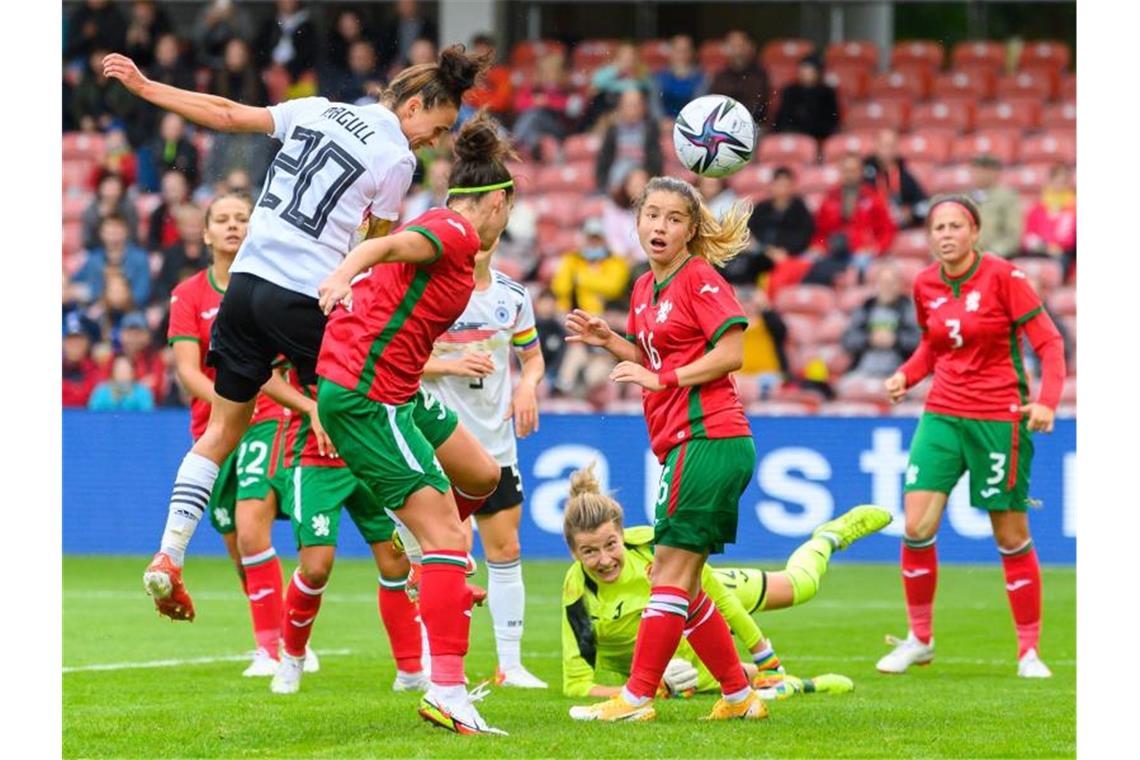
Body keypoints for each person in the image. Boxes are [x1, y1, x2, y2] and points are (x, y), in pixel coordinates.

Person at [102, 44, 489, 620]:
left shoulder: (315, 109)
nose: (432, 143)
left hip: (246, 289)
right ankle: (422, 557)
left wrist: (147, 87)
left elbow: (229, 114)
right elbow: (373, 249)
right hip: (305, 296)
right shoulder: (395, 159)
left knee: (221, 431)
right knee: (380, 412)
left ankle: (169, 554)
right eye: (436, 128)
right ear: (414, 105)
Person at [314, 114, 516, 735]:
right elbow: (382, 246)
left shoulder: (454, 234)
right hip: (370, 397)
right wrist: (345, 271)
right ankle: (447, 692)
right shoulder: (452, 229)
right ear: (499, 202)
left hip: (397, 388)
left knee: (481, 473)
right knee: (451, 541)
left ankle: (429, 552)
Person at [563, 176, 768, 722]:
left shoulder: (698, 278)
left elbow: (731, 352)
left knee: (667, 576)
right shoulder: (642, 288)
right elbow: (651, 354)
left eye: (674, 218)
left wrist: (666, 379)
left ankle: (635, 698)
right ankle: (740, 696)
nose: (660, 226)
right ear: (636, 222)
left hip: (707, 437)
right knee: (684, 578)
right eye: (652, 215)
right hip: (690, 442)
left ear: (691, 230)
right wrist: (609, 340)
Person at [880, 194, 1066, 679]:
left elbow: (1048, 341)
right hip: (942, 413)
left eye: (955, 225)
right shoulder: (924, 284)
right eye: (937, 226)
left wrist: (1047, 399)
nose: (945, 234)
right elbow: (932, 345)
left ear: (974, 232)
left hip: (998, 418)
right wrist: (906, 375)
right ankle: (920, 639)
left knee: (1010, 535)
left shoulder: (1004, 277)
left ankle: (1029, 651)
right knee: (917, 526)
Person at [560, 464, 889, 698]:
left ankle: (829, 537)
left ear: (622, 534)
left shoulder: (652, 545)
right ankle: (806, 685)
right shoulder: (578, 594)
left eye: (611, 545)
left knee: (799, 587)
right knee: (745, 680)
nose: (604, 560)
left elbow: (715, 597)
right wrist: (638, 688)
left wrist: (766, 655)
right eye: (589, 551)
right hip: (682, 668)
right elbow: (577, 686)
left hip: (707, 593)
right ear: (574, 553)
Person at [166, 193, 318, 675]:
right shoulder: (189, 294)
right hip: (214, 428)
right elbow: (188, 373)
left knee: (252, 528)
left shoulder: (273, 287)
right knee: (235, 541)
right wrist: (229, 406)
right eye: (222, 220)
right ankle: (286, 633)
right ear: (206, 233)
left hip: (269, 419)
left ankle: (271, 650)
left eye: (242, 218)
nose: (233, 226)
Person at [421, 242, 548, 689]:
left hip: (496, 444)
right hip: (437, 444)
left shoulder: (512, 296)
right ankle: (428, 664)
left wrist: (527, 387)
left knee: (506, 550)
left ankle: (509, 666)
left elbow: (531, 358)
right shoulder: (426, 291)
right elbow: (398, 358)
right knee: (434, 553)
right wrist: (450, 365)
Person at [268, 366, 427, 696]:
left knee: (396, 562)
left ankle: (410, 670)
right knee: (315, 569)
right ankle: (292, 657)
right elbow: (264, 374)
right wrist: (310, 407)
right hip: (312, 458)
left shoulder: (364, 318)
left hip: (366, 454)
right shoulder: (293, 317)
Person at [811, 153, 897, 271]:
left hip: (862, 253)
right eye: (846, 171)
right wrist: (819, 246)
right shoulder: (829, 199)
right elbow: (820, 233)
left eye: (853, 171)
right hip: (833, 253)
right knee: (809, 261)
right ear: (841, 172)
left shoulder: (874, 198)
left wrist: (875, 249)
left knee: (860, 264)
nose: (849, 175)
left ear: (861, 172)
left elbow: (887, 230)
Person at [731, 166, 814, 287]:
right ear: (772, 185)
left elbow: (804, 236)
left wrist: (787, 252)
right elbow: (750, 231)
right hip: (761, 253)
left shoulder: (800, 210)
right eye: (779, 185)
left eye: (786, 185)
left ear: (792, 187)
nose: (782, 190)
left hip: (790, 255)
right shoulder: (761, 208)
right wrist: (766, 249)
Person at [841, 262, 921, 379]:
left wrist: (896, 340)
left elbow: (920, 342)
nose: (887, 287)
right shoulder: (866, 308)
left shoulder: (909, 309)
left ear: (900, 285)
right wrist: (869, 339)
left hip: (899, 373)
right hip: (863, 372)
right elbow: (848, 340)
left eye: (891, 283)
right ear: (876, 285)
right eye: (883, 283)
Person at [552, 218, 632, 315]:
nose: (593, 243)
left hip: (607, 315)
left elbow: (613, 287)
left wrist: (581, 279)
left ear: (604, 240)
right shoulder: (571, 259)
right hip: (574, 313)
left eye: (597, 239)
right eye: (590, 238)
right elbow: (561, 288)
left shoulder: (616, 261)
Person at [72, 214, 151, 307]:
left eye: (117, 228)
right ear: (101, 233)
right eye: (109, 229)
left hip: (130, 310)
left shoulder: (140, 258)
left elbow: (142, 293)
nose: (113, 232)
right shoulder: (93, 259)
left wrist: (117, 300)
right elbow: (76, 282)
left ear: (126, 231)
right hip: (97, 310)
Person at [596, 89, 664, 197]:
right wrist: (604, 184)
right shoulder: (613, 130)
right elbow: (603, 161)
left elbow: (656, 161)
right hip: (616, 180)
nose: (632, 110)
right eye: (628, 105)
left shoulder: (650, 130)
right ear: (620, 107)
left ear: (643, 108)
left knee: (638, 180)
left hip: (641, 179)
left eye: (636, 105)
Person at [863, 128, 929, 229]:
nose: (887, 150)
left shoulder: (905, 176)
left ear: (897, 148)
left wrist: (911, 213)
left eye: (891, 146)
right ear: (876, 146)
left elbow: (924, 205)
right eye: (883, 145)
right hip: (870, 227)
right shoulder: (863, 174)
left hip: (897, 227)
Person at [512, 52, 573, 160]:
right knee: (532, 122)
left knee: (534, 114)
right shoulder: (535, 89)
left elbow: (571, 107)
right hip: (537, 129)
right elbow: (518, 104)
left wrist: (548, 102)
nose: (548, 75)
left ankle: (515, 141)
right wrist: (535, 102)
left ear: (562, 73)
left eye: (553, 71)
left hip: (557, 129)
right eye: (545, 72)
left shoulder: (566, 90)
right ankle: (533, 148)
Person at [1021, 163, 1077, 282]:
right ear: (1049, 181)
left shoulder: (1073, 207)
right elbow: (1028, 235)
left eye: (1063, 182)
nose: (1059, 185)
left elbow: (1070, 239)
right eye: (1056, 180)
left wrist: (1056, 247)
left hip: (1063, 254)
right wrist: (1043, 246)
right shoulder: (1037, 207)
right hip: (1038, 252)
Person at [708, 30, 769, 124]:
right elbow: (714, 104)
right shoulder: (720, 76)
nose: (737, 52)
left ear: (750, 48)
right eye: (733, 47)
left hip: (752, 124)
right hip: (723, 124)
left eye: (741, 46)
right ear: (726, 49)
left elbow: (756, 107)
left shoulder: (759, 75)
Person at [968, 155, 1022, 260]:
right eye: (976, 171)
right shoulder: (966, 197)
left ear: (995, 173)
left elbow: (1013, 235)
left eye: (983, 171)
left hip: (996, 258)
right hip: (967, 258)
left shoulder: (1007, 198)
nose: (978, 175)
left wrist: (993, 253)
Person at [773, 54, 839, 140]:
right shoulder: (790, 91)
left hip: (818, 136)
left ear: (818, 72)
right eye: (803, 70)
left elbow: (831, 121)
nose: (804, 73)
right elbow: (782, 117)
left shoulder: (827, 93)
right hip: (792, 134)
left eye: (809, 70)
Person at [652, 34, 708, 120]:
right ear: (671, 53)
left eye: (685, 51)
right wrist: (662, 121)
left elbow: (699, 105)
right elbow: (654, 103)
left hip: (691, 123)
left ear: (691, 53)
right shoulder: (659, 76)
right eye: (678, 51)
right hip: (664, 126)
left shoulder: (701, 77)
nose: (682, 55)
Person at [81, 173, 140, 251]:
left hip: (126, 250)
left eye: (115, 187)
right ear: (101, 189)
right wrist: (99, 217)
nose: (111, 191)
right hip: (98, 250)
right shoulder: (91, 211)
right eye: (108, 187)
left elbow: (133, 236)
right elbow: (88, 241)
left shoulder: (129, 208)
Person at [88, 354, 154, 411]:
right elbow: (93, 415)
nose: (122, 375)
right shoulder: (101, 392)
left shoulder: (142, 392)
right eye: (119, 370)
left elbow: (147, 417)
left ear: (133, 373)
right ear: (112, 373)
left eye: (126, 370)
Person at [146, 169, 191, 253]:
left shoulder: (193, 211)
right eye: (168, 188)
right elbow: (153, 242)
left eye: (175, 188)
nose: (171, 192)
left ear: (185, 188)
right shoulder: (158, 214)